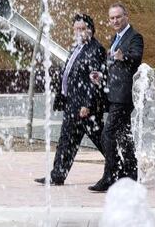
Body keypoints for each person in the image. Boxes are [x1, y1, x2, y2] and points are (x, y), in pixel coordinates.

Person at [34, 14, 107, 185]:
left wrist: (87, 105)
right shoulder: (77, 47)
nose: (79, 32)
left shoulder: (95, 49)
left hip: (85, 106)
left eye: (83, 29)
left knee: (102, 140)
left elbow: (95, 79)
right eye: (76, 29)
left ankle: (122, 167)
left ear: (91, 30)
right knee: (66, 140)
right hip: (72, 103)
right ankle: (57, 175)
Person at [88, 2, 144, 192]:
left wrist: (123, 57)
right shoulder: (115, 38)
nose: (115, 21)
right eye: (112, 18)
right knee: (123, 135)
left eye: (118, 17)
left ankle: (110, 176)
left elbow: (136, 57)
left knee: (107, 134)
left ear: (126, 16)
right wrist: (101, 76)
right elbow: (113, 65)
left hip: (124, 96)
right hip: (114, 94)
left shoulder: (135, 37)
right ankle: (131, 173)